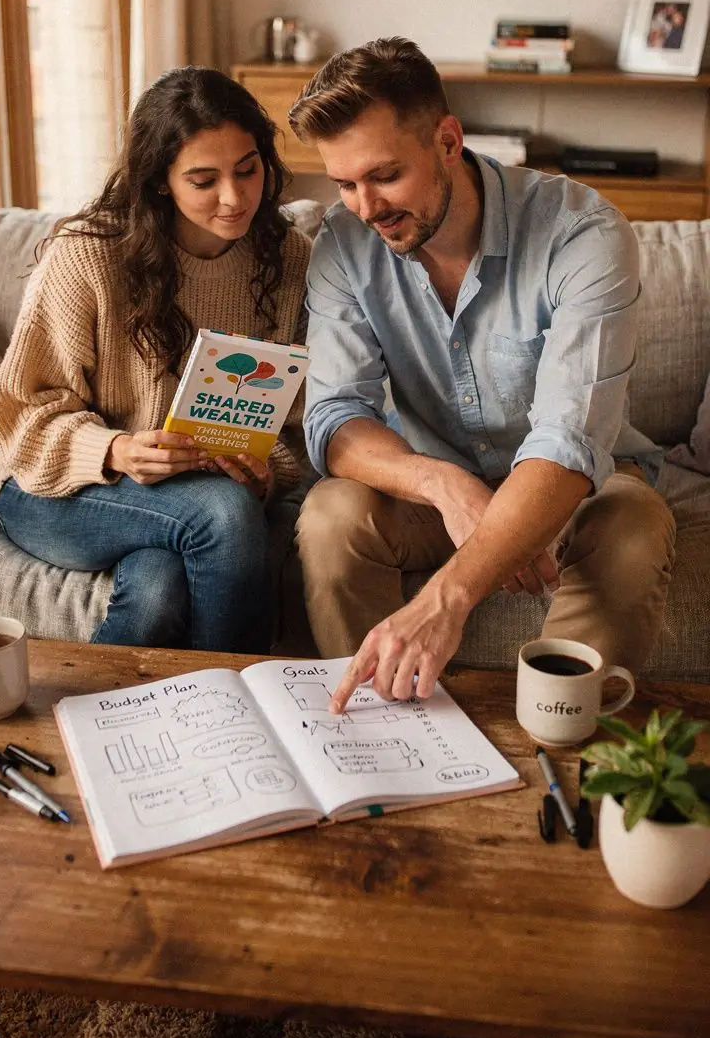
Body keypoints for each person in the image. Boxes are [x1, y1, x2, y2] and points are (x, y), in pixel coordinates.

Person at [287, 37, 675, 712]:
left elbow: (568, 440)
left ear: (446, 140)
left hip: (575, 493)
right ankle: (381, 737)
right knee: (330, 515)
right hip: (434, 494)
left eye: (383, 176)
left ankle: (554, 752)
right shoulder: (344, 244)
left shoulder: (583, 233)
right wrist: (444, 484)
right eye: (344, 184)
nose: (365, 207)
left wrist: (452, 592)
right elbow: (334, 419)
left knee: (635, 525)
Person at [0, 67, 311, 652]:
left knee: (159, 588)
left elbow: (298, 418)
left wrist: (264, 471)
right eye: (204, 180)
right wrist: (115, 449)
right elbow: (19, 416)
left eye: (247, 169)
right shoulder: (89, 256)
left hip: (184, 494)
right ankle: (236, 719)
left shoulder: (288, 259)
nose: (234, 197)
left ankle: (97, 726)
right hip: (51, 482)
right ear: (159, 182)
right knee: (224, 516)